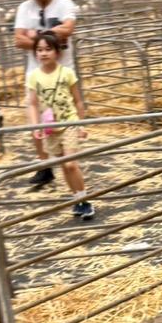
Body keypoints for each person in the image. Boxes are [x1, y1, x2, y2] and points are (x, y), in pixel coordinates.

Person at [14, 0, 77, 188]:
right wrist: (49, 40)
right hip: (35, 73)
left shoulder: (64, 3)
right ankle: (44, 166)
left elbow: (69, 28)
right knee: (36, 118)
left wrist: (37, 36)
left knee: (64, 115)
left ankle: (68, 161)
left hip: (62, 71)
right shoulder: (24, 8)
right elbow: (18, 39)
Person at [25, 32, 93, 219]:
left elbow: (78, 101)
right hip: (50, 127)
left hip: (69, 121)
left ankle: (85, 200)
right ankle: (76, 199)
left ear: (57, 52)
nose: (43, 53)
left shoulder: (67, 73)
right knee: (63, 165)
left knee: (70, 164)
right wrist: (35, 126)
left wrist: (81, 124)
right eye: (39, 50)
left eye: (48, 49)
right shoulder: (34, 77)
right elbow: (32, 104)